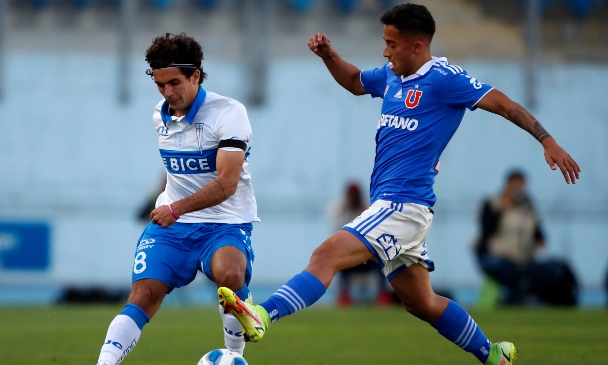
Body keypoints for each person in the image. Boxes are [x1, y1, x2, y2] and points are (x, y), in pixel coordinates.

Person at [217, 4, 581, 365]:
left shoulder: (445, 79)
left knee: (326, 255)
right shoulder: (392, 76)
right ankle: (494, 354)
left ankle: (262, 316)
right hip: (396, 206)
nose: (385, 51)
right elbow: (355, 81)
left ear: (417, 46)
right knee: (422, 302)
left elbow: (502, 104)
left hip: (402, 204)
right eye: (385, 42)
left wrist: (547, 140)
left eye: (392, 43)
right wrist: (330, 56)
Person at [96, 33, 259, 365]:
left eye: (174, 82)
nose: (167, 93)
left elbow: (227, 183)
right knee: (143, 296)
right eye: (159, 85)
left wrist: (177, 208)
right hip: (173, 226)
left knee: (230, 275)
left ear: (195, 75)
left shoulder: (229, 113)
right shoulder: (161, 115)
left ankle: (234, 356)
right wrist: (170, 206)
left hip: (224, 224)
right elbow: (181, 170)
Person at [474, 169, 546, 305]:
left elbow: (537, 230)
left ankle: (523, 299)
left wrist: (539, 241)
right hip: (495, 255)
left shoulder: (529, 207)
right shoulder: (493, 202)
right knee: (507, 269)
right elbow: (486, 228)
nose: (518, 189)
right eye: (515, 185)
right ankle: (516, 299)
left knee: (540, 272)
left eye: (521, 185)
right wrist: (502, 208)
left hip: (522, 256)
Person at [328, 181, 394, 307]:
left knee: (382, 261)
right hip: (350, 257)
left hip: (366, 256)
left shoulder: (368, 209)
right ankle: (344, 297)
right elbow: (337, 232)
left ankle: (384, 297)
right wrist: (346, 209)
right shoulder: (340, 210)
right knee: (339, 262)